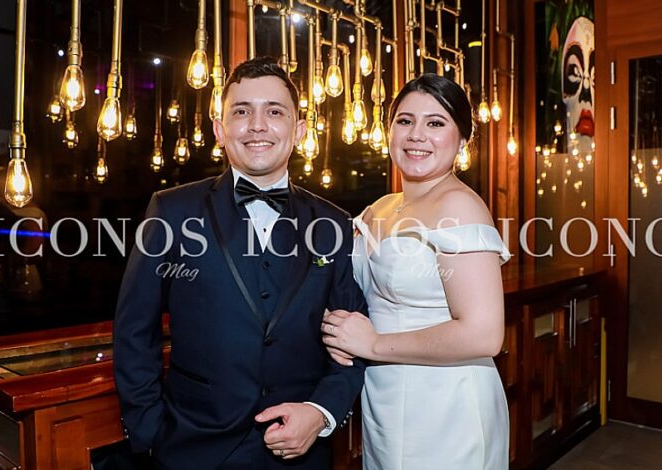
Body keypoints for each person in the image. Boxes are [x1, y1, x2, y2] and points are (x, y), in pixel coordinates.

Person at [113, 57, 366, 470]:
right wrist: (150, 433)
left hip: (302, 453)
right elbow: (134, 330)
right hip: (191, 450)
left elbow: (353, 340)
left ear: (300, 130)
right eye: (242, 112)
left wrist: (320, 413)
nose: (257, 125)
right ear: (220, 129)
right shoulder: (171, 210)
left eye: (275, 112)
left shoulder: (333, 223)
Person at [321, 74, 511, 469]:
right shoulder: (380, 208)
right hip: (385, 396)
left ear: (463, 140)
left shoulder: (459, 207)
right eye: (405, 121)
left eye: (435, 123)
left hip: (446, 403)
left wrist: (373, 345)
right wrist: (337, 331)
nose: (416, 135)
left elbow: (484, 334)